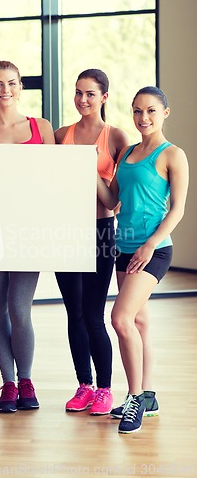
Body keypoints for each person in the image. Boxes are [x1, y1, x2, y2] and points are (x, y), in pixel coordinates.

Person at [97, 86, 189, 433]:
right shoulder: (129, 153)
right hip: (124, 247)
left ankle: (134, 397)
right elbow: (111, 201)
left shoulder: (172, 155)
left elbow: (177, 209)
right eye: (137, 111)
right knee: (137, 323)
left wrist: (150, 245)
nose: (143, 118)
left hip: (154, 249)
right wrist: (91, 170)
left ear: (165, 113)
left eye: (150, 111)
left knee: (120, 318)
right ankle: (148, 397)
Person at [0, 60, 55, 412]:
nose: (6, 90)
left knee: (20, 309)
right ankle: (7, 384)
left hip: (28, 231)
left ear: (21, 87)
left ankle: (26, 380)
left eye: (12, 83)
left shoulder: (41, 127)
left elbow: (55, 182)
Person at [54, 69, 129, 416]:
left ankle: (104, 389)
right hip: (65, 231)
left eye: (90, 94)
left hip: (100, 231)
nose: (83, 99)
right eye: (78, 93)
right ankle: (83, 385)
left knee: (93, 314)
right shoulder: (60, 135)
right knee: (74, 313)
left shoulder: (116, 138)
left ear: (104, 98)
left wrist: (88, 170)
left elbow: (114, 200)